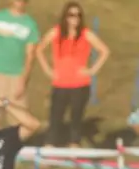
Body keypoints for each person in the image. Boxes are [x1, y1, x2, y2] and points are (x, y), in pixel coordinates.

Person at [35, 1, 110, 148]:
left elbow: (105, 51)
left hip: (80, 84)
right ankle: (50, 147)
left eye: (78, 15)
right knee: (55, 117)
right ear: (66, 16)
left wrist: (92, 70)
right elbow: (39, 49)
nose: (74, 18)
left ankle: (74, 147)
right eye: (71, 15)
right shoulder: (56, 32)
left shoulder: (86, 34)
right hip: (60, 83)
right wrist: (48, 70)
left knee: (76, 118)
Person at [0, 0, 40, 126]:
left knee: (18, 118)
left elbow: (30, 56)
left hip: (16, 76)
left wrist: (23, 80)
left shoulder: (30, 24)